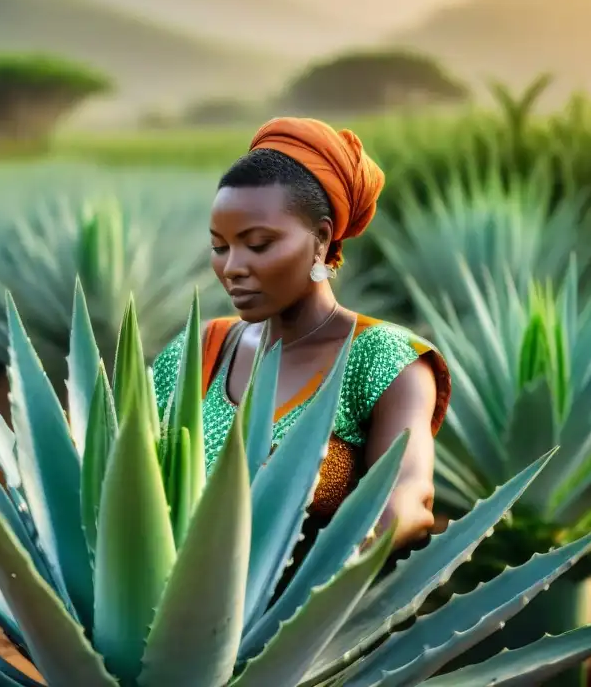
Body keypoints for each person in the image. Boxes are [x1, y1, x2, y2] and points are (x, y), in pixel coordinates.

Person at [151, 117, 451, 555]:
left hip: (320, 613)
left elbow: (408, 495)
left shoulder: (382, 359)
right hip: (168, 613)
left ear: (321, 239)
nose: (232, 266)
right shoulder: (201, 349)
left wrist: (346, 563)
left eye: (257, 244)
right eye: (220, 247)